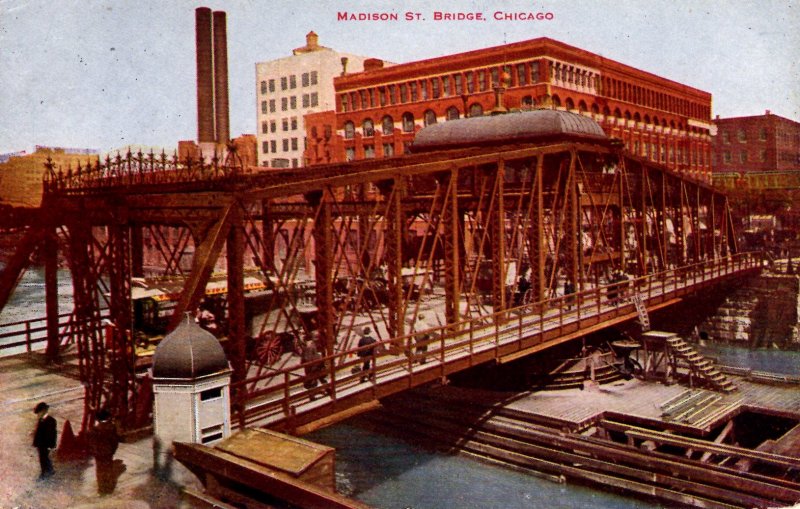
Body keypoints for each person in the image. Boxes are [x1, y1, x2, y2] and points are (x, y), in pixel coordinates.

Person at [88, 409, 121, 494]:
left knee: (100, 470)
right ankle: (109, 489)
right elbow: (115, 441)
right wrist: (112, 450)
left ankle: (101, 489)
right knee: (108, 469)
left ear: (98, 419)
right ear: (108, 417)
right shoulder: (111, 427)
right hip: (108, 452)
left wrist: (94, 451)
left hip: (98, 453)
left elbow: (91, 443)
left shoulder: (94, 429)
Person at [32, 401, 57, 479]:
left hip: (46, 443)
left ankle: (45, 472)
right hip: (40, 443)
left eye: (39, 412)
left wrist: (51, 445)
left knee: (44, 457)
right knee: (43, 457)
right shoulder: (41, 420)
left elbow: (52, 434)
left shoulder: (51, 420)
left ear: (43, 411)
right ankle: (48, 470)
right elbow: (38, 432)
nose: (38, 415)